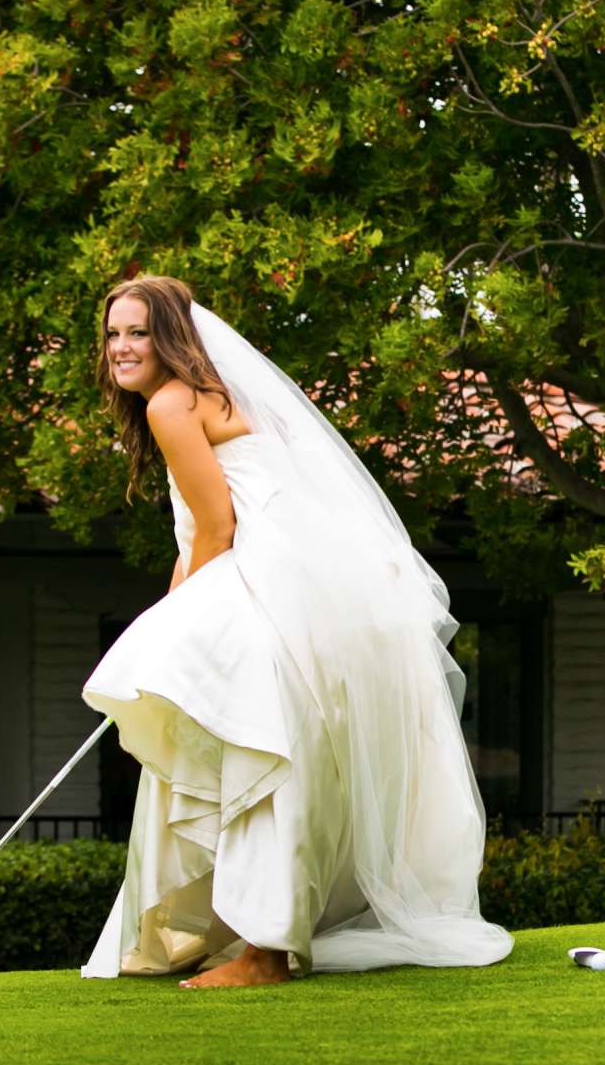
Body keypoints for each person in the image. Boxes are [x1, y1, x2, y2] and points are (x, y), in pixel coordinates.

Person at [78, 276, 514, 987]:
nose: (122, 347)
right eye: (113, 334)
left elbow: (216, 528)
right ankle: (227, 935)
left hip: (264, 586)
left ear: (172, 338)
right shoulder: (221, 393)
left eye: (139, 332)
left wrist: (171, 626)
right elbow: (203, 531)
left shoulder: (170, 402)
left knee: (254, 747)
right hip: (305, 593)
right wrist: (168, 616)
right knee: (256, 748)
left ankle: (263, 953)